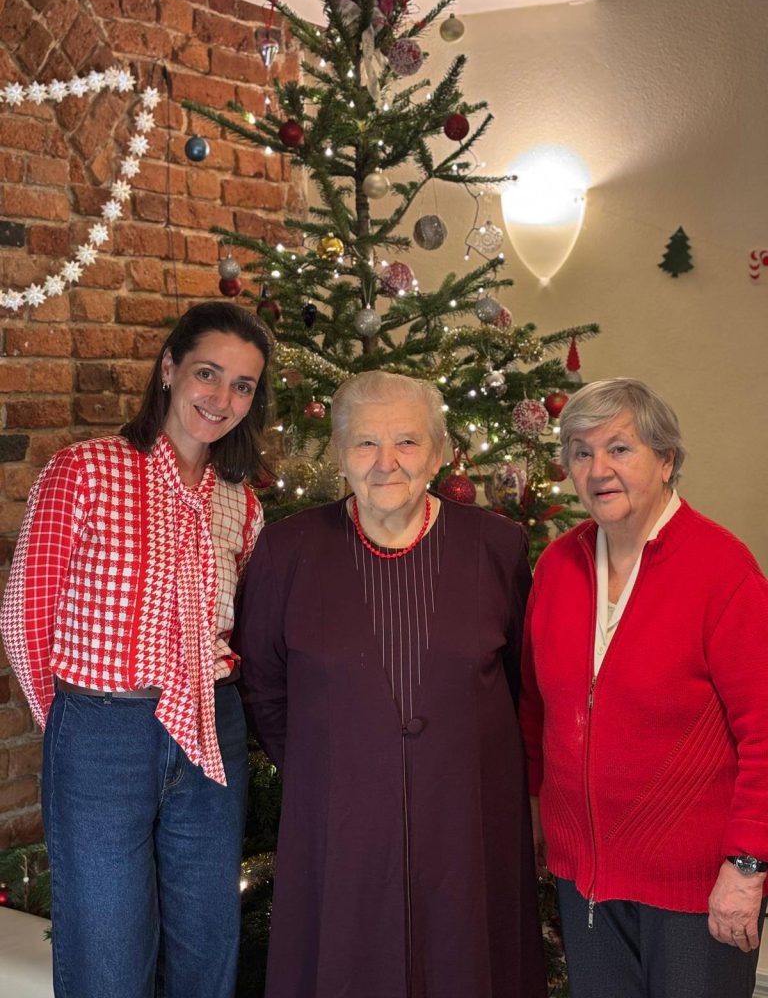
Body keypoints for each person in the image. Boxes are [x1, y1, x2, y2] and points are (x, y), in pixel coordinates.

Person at [235, 370, 546, 998]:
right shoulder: (286, 550)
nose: (386, 463)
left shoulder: (498, 545)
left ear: (439, 452)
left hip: (469, 817)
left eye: (406, 441)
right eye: (364, 442)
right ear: (338, 453)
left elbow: (525, 683)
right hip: (338, 819)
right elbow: (262, 685)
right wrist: (330, 766)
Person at [0, 301, 274, 998]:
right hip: (103, 732)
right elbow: (25, 615)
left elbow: (237, 623)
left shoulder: (241, 503)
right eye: (208, 373)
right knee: (108, 950)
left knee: (206, 939)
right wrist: (75, 727)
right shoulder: (86, 471)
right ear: (169, 369)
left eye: (242, 385)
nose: (221, 398)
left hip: (212, 724)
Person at [519, 377, 768, 998]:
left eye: (619, 449)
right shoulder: (558, 566)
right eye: (581, 452)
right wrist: (534, 811)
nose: (597, 469)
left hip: (696, 888)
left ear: (666, 460)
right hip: (584, 879)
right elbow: (533, 709)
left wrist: (747, 866)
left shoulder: (722, 569)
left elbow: (765, 731)